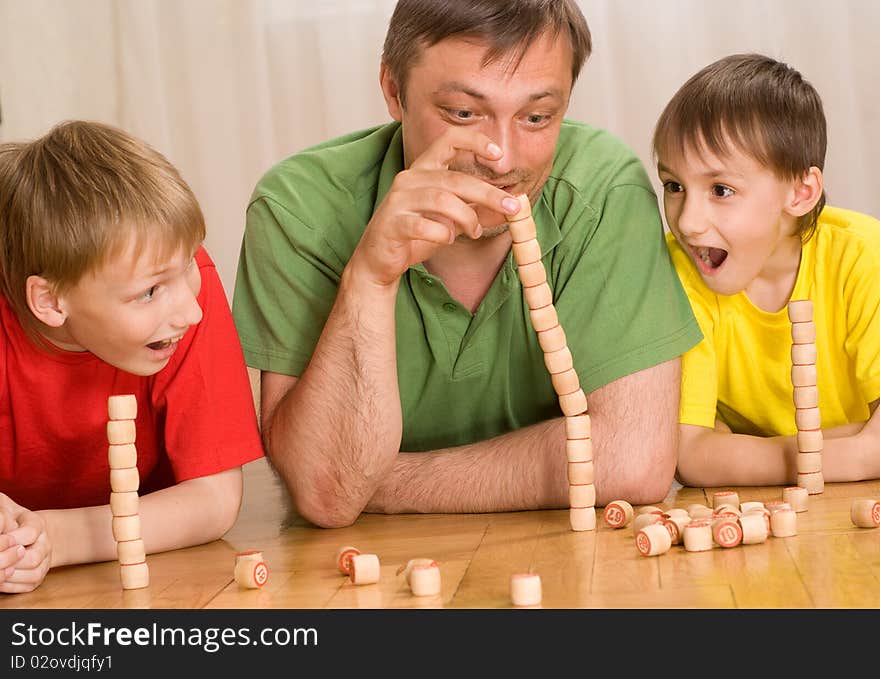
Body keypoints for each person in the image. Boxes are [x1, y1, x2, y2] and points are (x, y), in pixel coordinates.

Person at [233, 0, 701, 528]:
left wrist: (379, 485)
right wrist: (369, 279)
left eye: (537, 117)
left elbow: (632, 462)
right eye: (463, 113)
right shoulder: (297, 209)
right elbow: (326, 495)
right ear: (393, 90)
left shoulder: (603, 187)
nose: (502, 156)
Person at [0, 120, 264, 593]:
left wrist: (51, 538)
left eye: (187, 265)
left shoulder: (180, 290)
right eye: (148, 292)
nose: (191, 312)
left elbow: (215, 500)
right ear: (51, 302)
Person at [653, 53, 880, 488]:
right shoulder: (678, 274)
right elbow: (691, 455)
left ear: (801, 192)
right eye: (674, 186)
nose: (686, 222)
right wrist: (858, 451)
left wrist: (743, 453)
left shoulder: (862, 257)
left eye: (721, 189)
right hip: (773, 510)